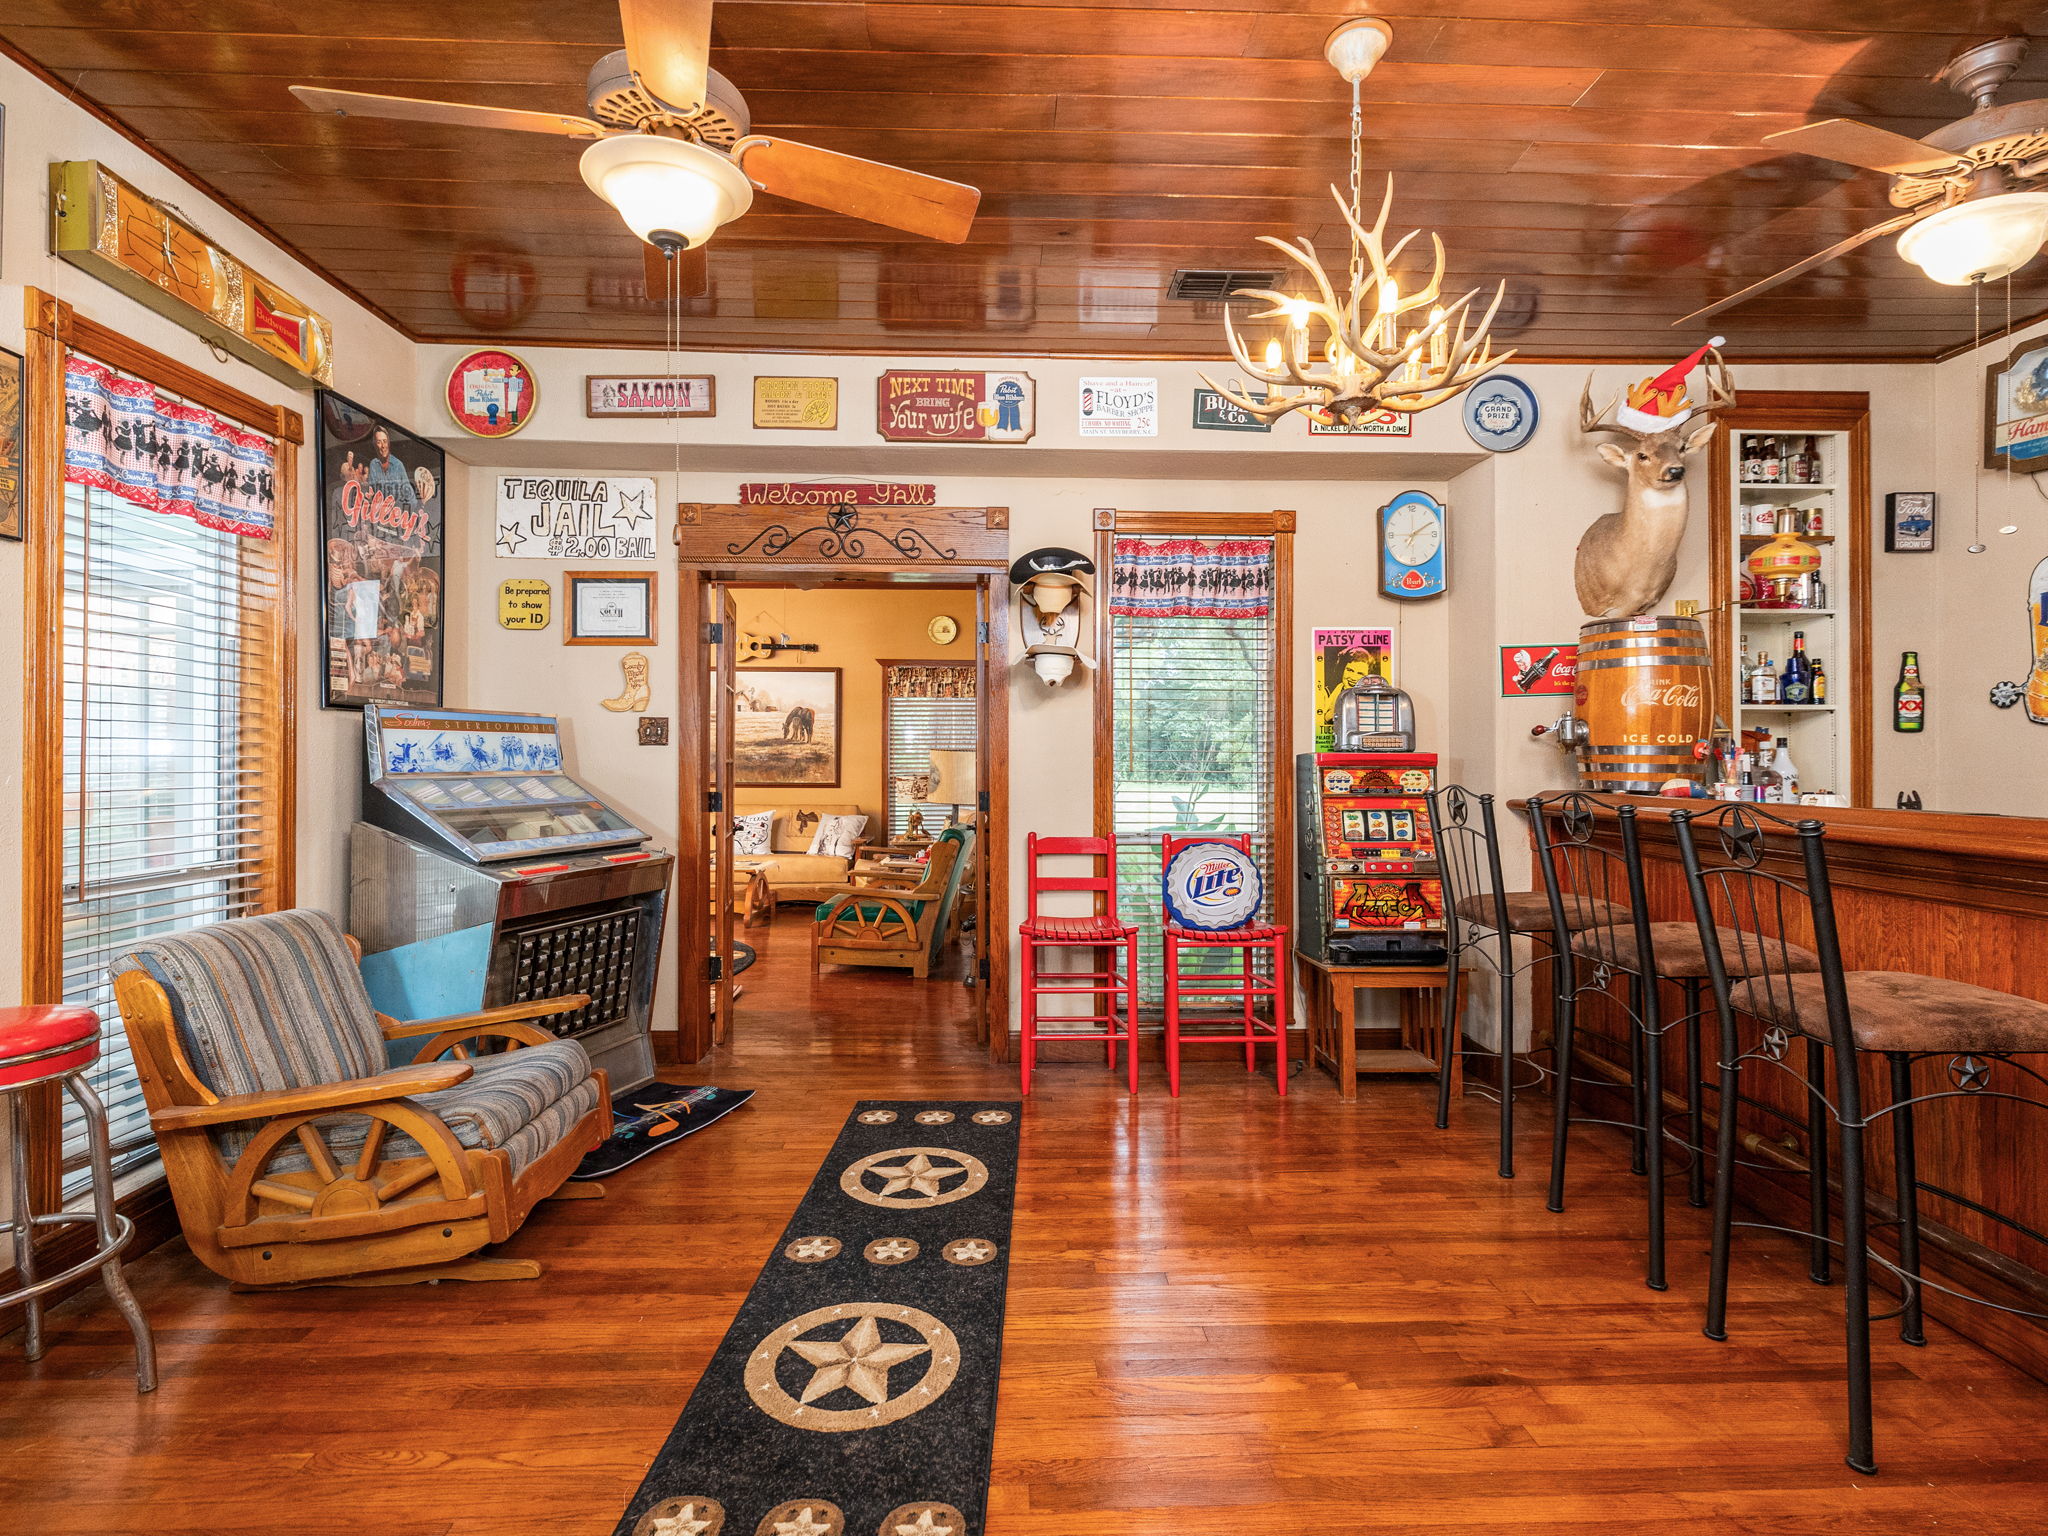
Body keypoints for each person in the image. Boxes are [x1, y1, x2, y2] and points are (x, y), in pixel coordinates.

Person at [364, 427, 419, 512]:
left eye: (385, 441)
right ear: (375, 445)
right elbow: (371, 493)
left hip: (396, 517)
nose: (383, 446)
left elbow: (411, 499)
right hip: (379, 516)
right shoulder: (373, 465)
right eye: (379, 442)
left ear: (389, 443)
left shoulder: (398, 465)